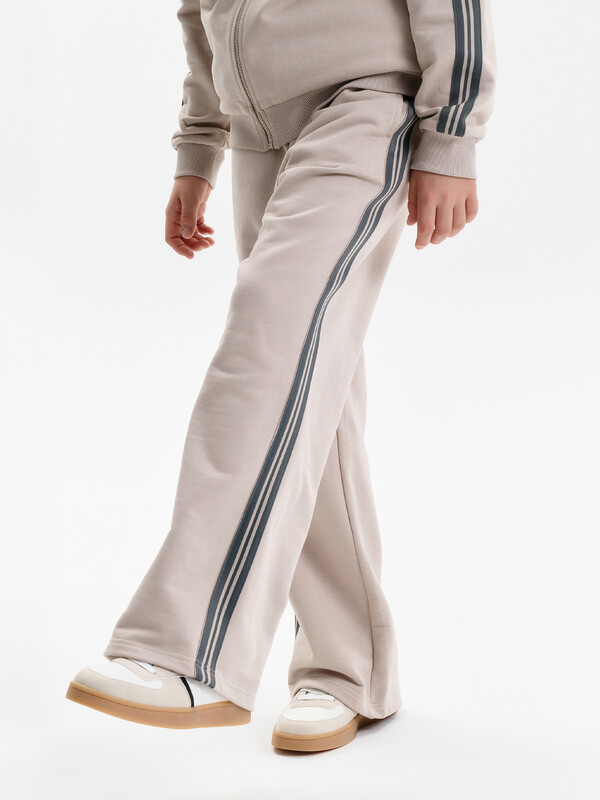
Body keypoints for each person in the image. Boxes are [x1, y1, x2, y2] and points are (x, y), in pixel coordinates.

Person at [66, 0, 497, 752]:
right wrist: (199, 146)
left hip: (365, 103)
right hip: (259, 135)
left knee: (263, 356)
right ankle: (350, 669)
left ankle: (188, 652)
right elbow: (199, 13)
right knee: (305, 379)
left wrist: (451, 132)